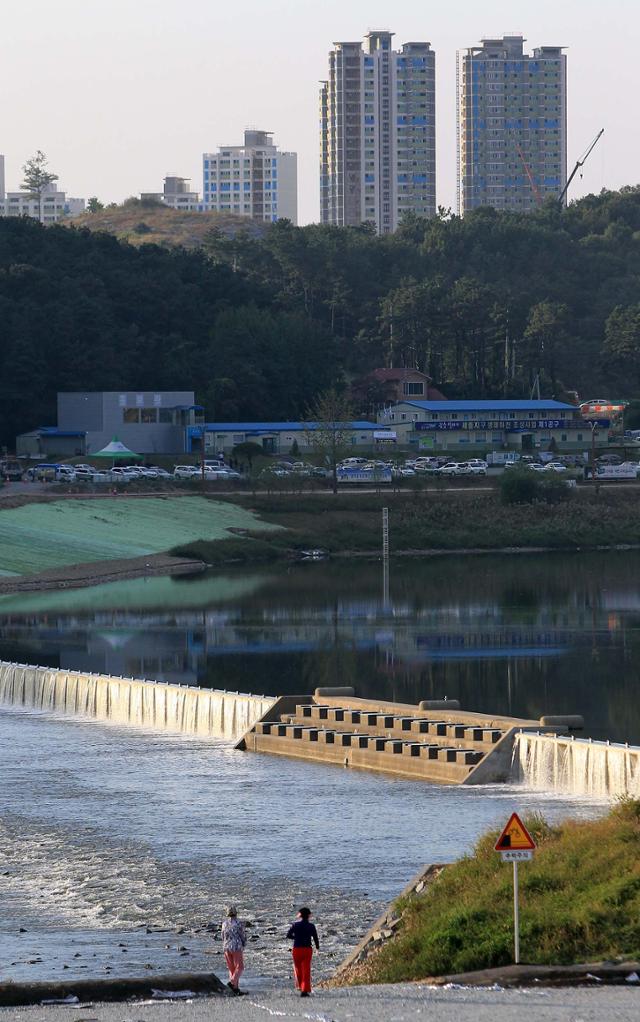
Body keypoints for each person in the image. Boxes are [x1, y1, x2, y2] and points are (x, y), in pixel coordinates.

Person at [287, 907, 320, 997]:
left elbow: (288, 935)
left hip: (297, 949)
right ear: (309, 915)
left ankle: (300, 986)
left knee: (298, 969)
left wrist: (296, 938)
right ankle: (304, 990)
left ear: (300, 915)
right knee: (306, 970)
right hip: (307, 950)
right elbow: (315, 938)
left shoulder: (295, 925)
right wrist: (317, 948)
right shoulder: (311, 926)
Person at [221, 905, 246, 994]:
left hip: (226, 947)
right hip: (236, 946)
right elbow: (242, 935)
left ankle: (235, 988)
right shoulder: (239, 923)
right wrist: (244, 944)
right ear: (236, 913)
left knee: (231, 968)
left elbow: (222, 936)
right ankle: (232, 983)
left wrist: (224, 944)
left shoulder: (224, 924)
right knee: (239, 967)